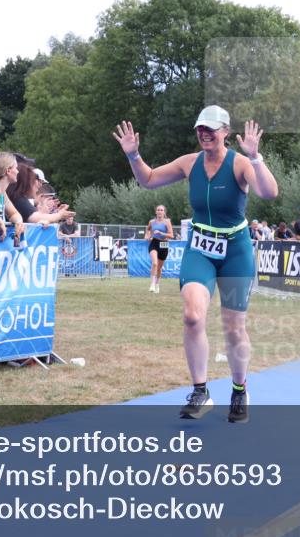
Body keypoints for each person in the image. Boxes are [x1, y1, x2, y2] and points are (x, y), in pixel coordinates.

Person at [113, 105, 277, 424]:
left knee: (233, 327)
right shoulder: (190, 163)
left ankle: (240, 390)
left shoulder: (240, 163)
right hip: (200, 248)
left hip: (235, 251)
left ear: (225, 132)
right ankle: (200, 391)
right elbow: (147, 180)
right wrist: (133, 155)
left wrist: (256, 157)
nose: (205, 133)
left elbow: (269, 192)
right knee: (192, 316)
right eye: (201, 128)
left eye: (211, 129)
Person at [6, 163, 74, 227]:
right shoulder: (18, 199)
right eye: (33, 180)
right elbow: (35, 218)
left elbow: (37, 218)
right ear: (26, 182)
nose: (38, 185)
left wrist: (51, 215)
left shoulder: (16, 197)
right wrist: (59, 215)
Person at [145, 205, 174, 293]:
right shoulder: (152, 222)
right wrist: (147, 235)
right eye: (158, 210)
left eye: (161, 210)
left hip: (164, 243)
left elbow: (171, 235)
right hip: (154, 242)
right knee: (154, 263)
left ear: (164, 212)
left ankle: (157, 284)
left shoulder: (167, 222)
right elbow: (148, 229)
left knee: (159, 267)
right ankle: (152, 284)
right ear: (156, 212)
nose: (160, 211)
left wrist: (161, 232)